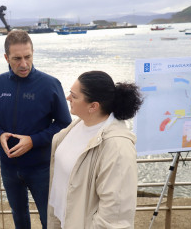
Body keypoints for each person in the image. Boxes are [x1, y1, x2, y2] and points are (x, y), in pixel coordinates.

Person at [0, 30, 72, 228]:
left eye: (28, 57)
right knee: (19, 216)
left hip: (41, 167)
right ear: (6, 57)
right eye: (16, 59)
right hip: (8, 167)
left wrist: (33, 141)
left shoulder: (50, 84)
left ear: (33, 53)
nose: (23, 64)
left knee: (48, 219)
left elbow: (64, 124)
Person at [47, 70, 143, 228]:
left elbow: (115, 214)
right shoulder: (78, 125)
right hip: (64, 220)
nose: (68, 98)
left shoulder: (118, 147)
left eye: (74, 96)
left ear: (93, 106)